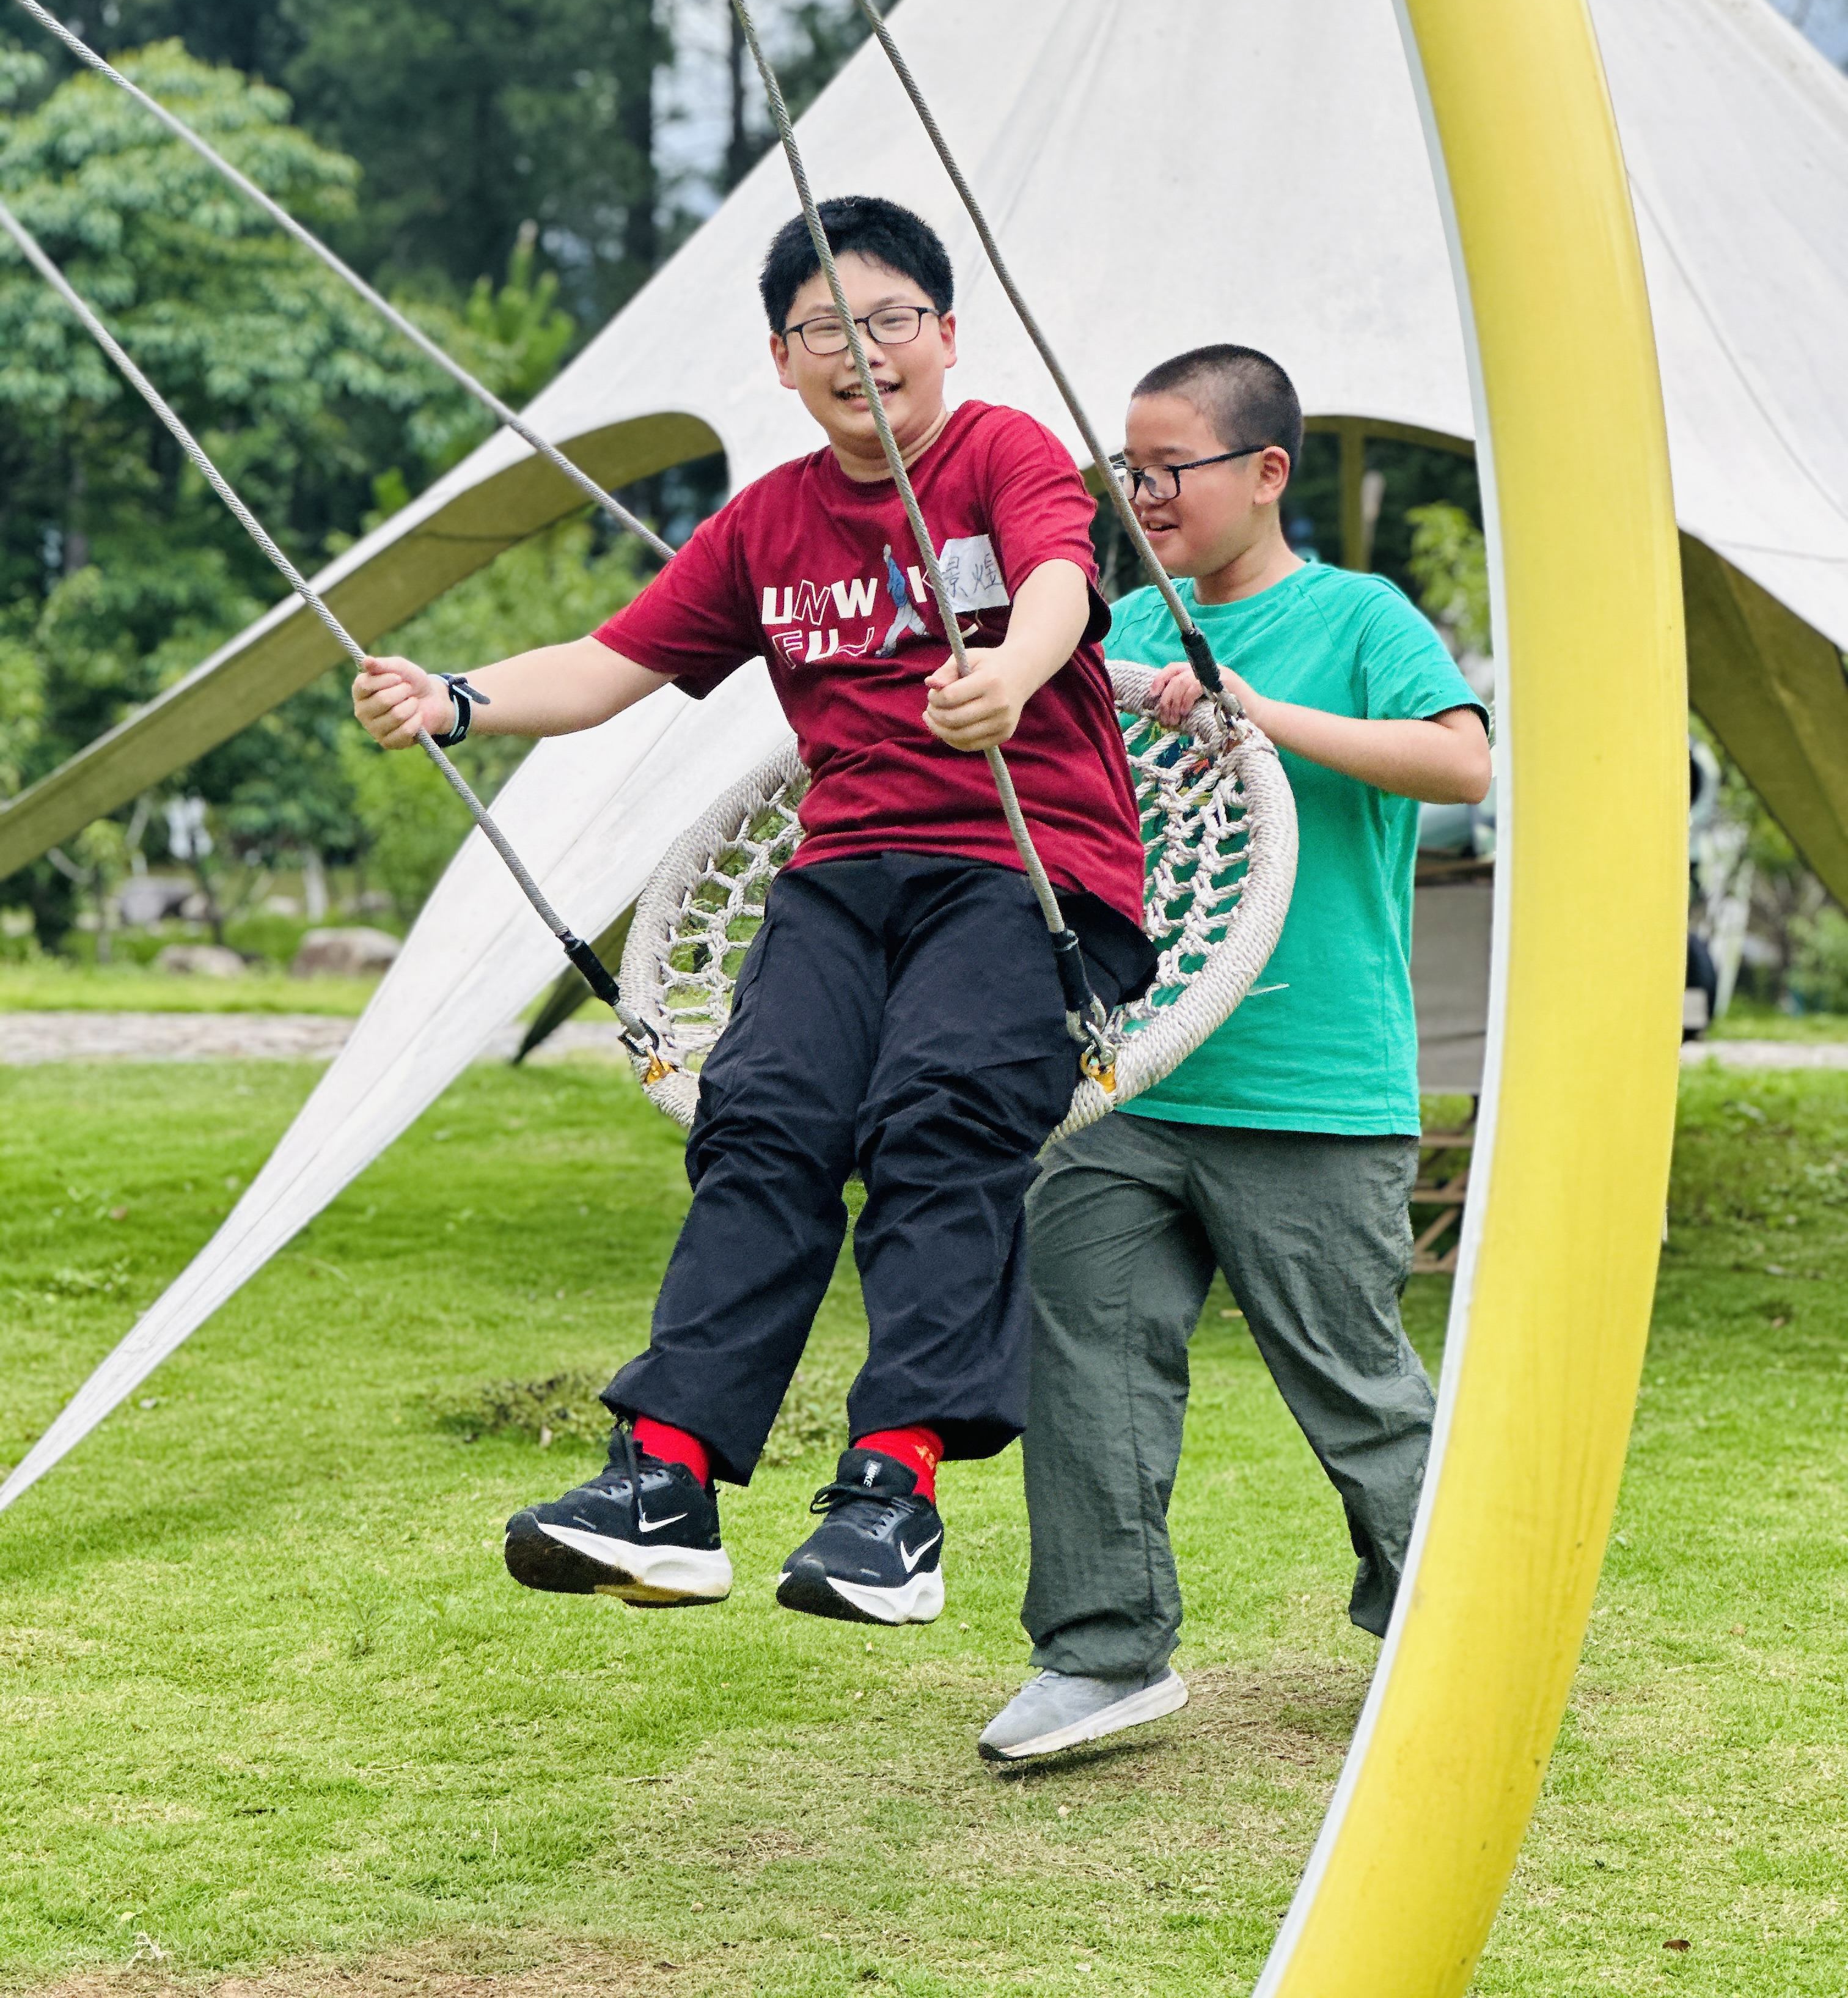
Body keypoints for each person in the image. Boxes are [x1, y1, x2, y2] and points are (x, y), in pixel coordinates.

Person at [351, 196, 1154, 1629]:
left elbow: (1057, 577)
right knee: (765, 1113)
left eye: (890, 320)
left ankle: (891, 1498)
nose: (861, 352)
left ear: (946, 334)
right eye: (820, 333)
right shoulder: (769, 523)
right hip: (844, 880)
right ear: (781, 363)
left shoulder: (1000, 454)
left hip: (1029, 878)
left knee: (940, 1110)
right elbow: (606, 668)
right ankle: (665, 1484)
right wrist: (457, 699)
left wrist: (1016, 675)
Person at [979, 344, 1491, 1760]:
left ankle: (1447, 1627)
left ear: (1267, 474)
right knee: (1081, 1354)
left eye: (1171, 470)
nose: (1142, 495)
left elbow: (1460, 763)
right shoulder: (1127, 623)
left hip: (1316, 1088)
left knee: (1352, 1381)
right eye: (1127, 473)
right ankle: (1102, 1653)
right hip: (1133, 1078)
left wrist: (1253, 714)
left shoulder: (1356, 616)